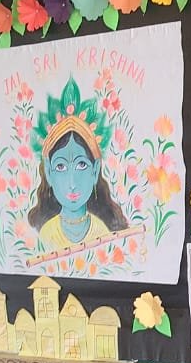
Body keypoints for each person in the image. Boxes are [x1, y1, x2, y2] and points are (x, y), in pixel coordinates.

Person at [28, 77, 127, 250]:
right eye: (61, 166)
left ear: (95, 170)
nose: (72, 183)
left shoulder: (103, 234)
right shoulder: (45, 236)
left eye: (81, 165)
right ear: (49, 172)